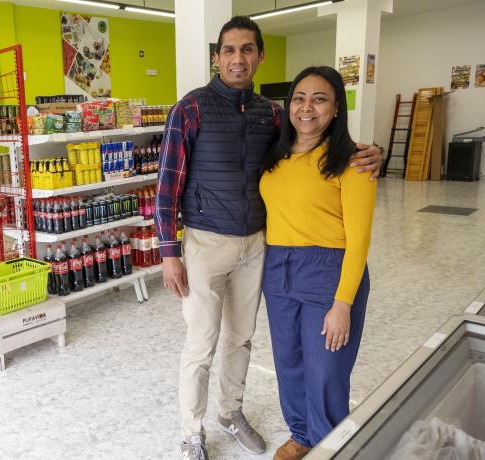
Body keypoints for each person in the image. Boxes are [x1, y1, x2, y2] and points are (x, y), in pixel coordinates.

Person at [154, 16, 381, 460]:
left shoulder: (271, 115)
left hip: (259, 247)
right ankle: (192, 431)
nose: (238, 59)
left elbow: (318, 149)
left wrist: (372, 152)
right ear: (217, 57)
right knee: (202, 343)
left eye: (247, 50)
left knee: (242, 338)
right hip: (207, 244)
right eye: (229, 50)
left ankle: (231, 412)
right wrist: (168, 251)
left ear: (260, 56)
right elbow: (167, 184)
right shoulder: (191, 109)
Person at [259, 66, 377, 460]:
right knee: (289, 362)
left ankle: (329, 447)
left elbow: (359, 239)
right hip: (277, 269)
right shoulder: (275, 155)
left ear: (337, 108)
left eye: (320, 98)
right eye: (299, 98)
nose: (307, 107)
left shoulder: (353, 161)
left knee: (326, 371)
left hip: (329, 271)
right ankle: (302, 437)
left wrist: (342, 303)